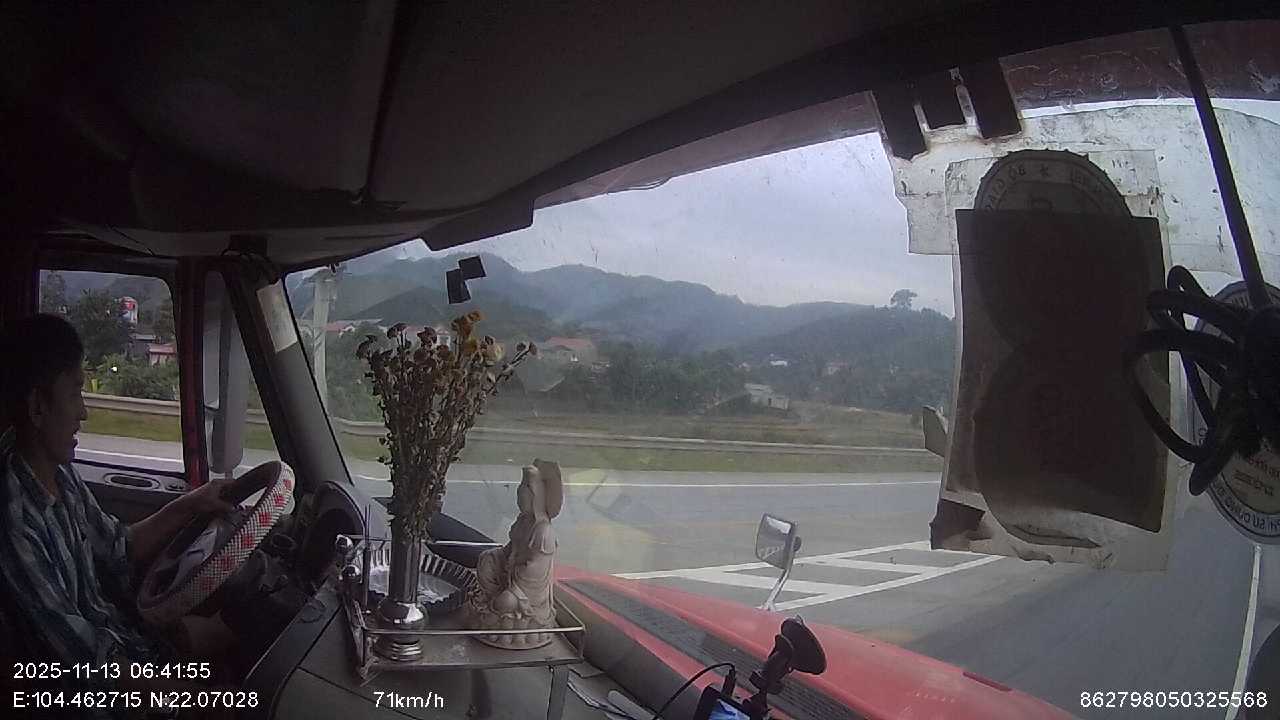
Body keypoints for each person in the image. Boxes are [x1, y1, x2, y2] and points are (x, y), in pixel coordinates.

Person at [0, 314, 238, 702]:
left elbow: (118, 546)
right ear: (38, 407)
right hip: (94, 694)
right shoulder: (13, 521)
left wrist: (194, 503)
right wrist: (188, 699)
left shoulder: (59, 472)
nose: (83, 412)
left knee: (236, 632)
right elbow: (84, 660)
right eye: (75, 393)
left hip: (126, 637)